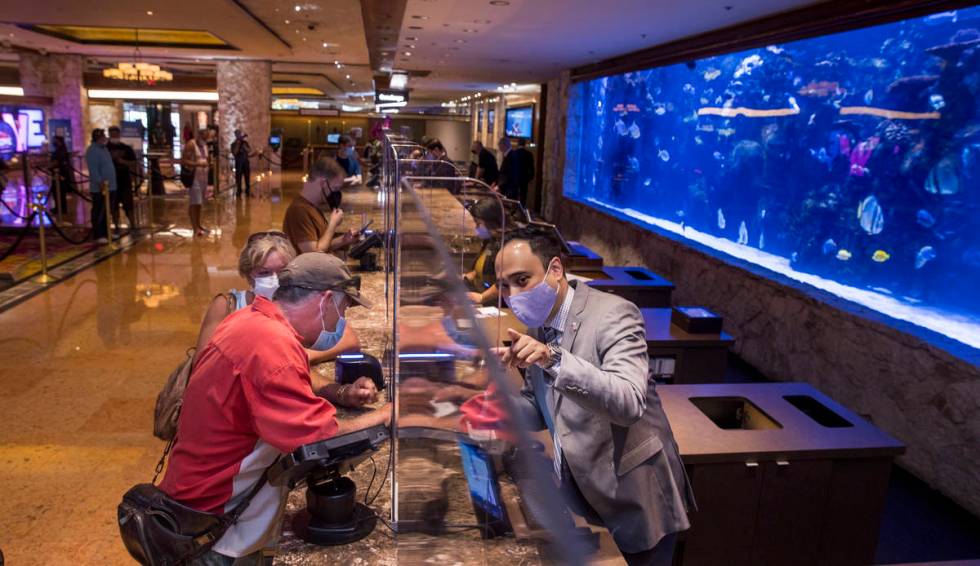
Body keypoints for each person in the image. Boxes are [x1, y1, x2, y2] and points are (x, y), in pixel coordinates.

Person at [160, 253, 389, 564]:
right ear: (324, 301)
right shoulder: (271, 345)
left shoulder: (250, 320)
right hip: (213, 523)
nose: (342, 321)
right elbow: (318, 437)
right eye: (344, 309)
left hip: (194, 497)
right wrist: (388, 415)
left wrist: (340, 393)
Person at [493, 227, 695, 566]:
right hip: (582, 493)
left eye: (521, 280)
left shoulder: (614, 314)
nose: (512, 295)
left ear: (555, 271)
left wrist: (551, 358)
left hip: (634, 501)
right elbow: (538, 408)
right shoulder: (540, 324)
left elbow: (629, 402)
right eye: (503, 286)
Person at [193, 231, 365, 372]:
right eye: (264, 273)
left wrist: (296, 355)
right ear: (248, 275)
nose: (275, 279)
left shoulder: (297, 304)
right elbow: (201, 365)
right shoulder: (226, 306)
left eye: (282, 272)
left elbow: (348, 338)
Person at [282, 157, 357, 254]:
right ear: (323, 183)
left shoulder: (311, 207)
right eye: (335, 188)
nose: (336, 193)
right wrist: (333, 224)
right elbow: (314, 253)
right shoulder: (299, 210)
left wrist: (344, 240)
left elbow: (320, 245)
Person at [85, 129, 116, 244]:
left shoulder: (104, 149)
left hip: (111, 186)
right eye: (102, 136)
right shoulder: (92, 151)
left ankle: (107, 231)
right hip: (100, 188)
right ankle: (99, 234)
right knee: (99, 210)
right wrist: (100, 182)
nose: (105, 138)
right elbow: (93, 170)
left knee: (108, 211)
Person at [107, 126, 139, 232]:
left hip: (124, 180)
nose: (114, 136)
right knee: (113, 204)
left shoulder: (126, 148)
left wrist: (123, 162)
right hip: (111, 180)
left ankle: (133, 223)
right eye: (112, 134)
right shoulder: (105, 149)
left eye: (115, 134)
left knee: (128, 204)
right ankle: (116, 224)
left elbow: (134, 162)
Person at [181, 129, 210, 236]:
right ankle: (194, 227)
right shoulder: (191, 145)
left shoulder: (205, 145)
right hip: (194, 177)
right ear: (199, 135)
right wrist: (197, 164)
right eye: (204, 137)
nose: (205, 140)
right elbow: (184, 160)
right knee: (194, 202)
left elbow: (206, 158)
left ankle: (199, 224)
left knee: (199, 203)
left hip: (204, 177)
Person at [49, 135, 78, 214]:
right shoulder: (61, 150)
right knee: (60, 193)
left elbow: (58, 162)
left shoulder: (60, 151)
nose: (53, 142)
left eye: (55, 140)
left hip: (59, 174)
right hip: (60, 174)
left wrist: (50, 166)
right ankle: (60, 208)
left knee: (59, 192)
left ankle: (60, 209)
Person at [231, 129, 252, 197]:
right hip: (238, 163)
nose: (238, 135)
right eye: (237, 134)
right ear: (235, 135)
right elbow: (235, 152)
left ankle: (247, 190)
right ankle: (239, 190)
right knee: (238, 178)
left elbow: (249, 150)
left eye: (239, 134)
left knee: (247, 177)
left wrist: (243, 145)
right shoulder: (233, 144)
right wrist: (238, 144)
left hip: (245, 162)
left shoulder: (245, 143)